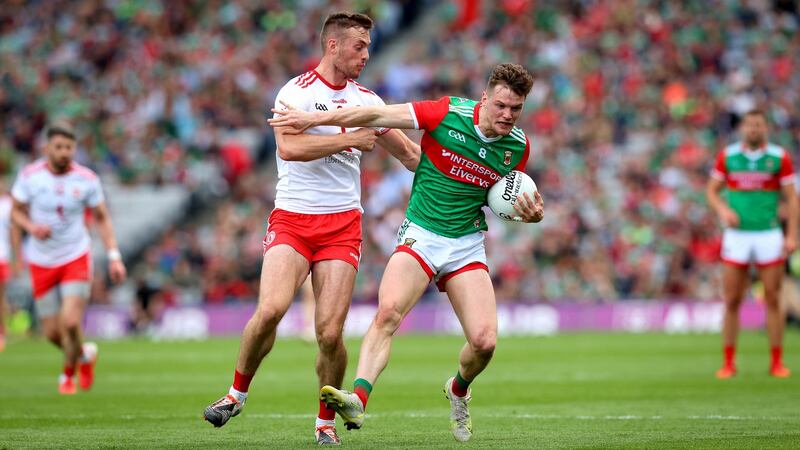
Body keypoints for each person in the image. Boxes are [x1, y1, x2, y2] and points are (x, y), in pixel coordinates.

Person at [270, 63, 544, 442]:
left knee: (485, 342)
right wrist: (308, 118)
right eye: (501, 106)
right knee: (388, 313)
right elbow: (375, 114)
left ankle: (459, 389)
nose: (507, 116)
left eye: (516, 109)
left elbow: (504, 198)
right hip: (421, 233)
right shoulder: (445, 113)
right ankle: (358, 399)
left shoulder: (518, 146)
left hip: (465, 244)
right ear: (484, 98)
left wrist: (529, 215)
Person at [202, 12, 420, 446]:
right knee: (270, 311)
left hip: (342, 225)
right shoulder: (295, 92)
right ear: (333, 45)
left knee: (329, 332)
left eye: (369, 46)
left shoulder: (368, 102)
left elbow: (411, 156)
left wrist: (467, 182)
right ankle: (235, 394)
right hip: (293, 218)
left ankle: (324, 424)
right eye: (359, 45)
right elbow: (289, 146)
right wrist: (348, 138)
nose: (366, 54)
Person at [10, 121, 127, 393]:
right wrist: (31, 227)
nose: (64, 152)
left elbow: (102, 218)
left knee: (71, 321)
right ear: (46, 147)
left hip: (75, 255)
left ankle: (66, 375)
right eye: (59, 147)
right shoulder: (30, 176)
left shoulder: (86, 179)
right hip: (41, 260)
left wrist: (114, 256)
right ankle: (84, 354)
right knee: (51, 332)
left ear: (75, 148)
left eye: (69, 147)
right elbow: (15, 211)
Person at [706, 109, 798, 379]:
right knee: (732, 298)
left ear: (765, 128)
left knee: (773, 296)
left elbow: (792, 199)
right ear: (742, 129)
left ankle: (776, 361)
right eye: (749, 125)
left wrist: (792, 235)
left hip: (768, 234)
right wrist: (723, 210)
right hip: (738, 236)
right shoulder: (729, 156)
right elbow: (711, 190)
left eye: (758, 125)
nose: (753, 129)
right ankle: (728, 362)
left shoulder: (779, 158)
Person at [0, 182, 23, 352]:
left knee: (1, 296)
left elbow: (13, 232)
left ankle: (2, 331)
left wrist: (16, 258)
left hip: (2, 256)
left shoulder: (8, 205)